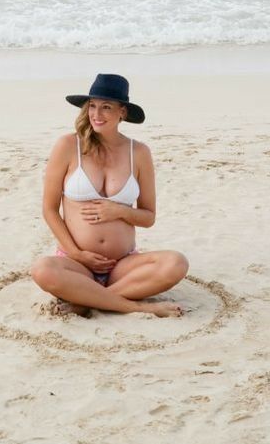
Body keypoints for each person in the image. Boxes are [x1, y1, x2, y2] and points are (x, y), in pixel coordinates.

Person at [31, 74, 188, 318]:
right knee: (42, 269)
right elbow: (49, 209)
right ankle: (136, 306)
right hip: (77, 264)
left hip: (122, 266)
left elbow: (148, 217)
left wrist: (120, 211)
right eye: (92, 106)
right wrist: (76, 254)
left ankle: (88, 300)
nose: (96, 114)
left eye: (106, 107)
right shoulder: (67, 146)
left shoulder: (139, 153)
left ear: (122, 112)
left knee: (176, 263)